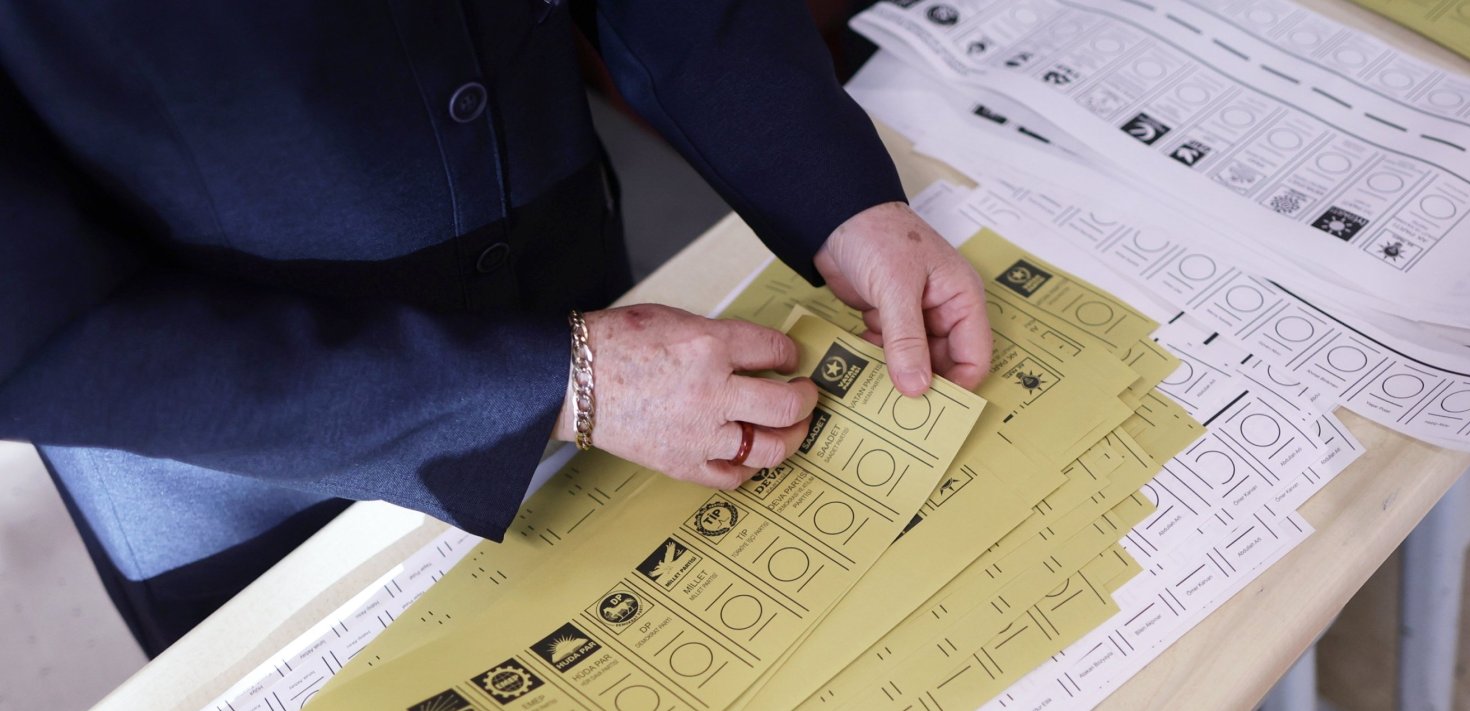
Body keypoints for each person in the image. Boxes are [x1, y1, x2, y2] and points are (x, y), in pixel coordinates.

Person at [0, 0, 991, 656]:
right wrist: (560, 383)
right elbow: (37, 336)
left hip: (576, 280)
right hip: (249, 462)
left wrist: (834, 195)